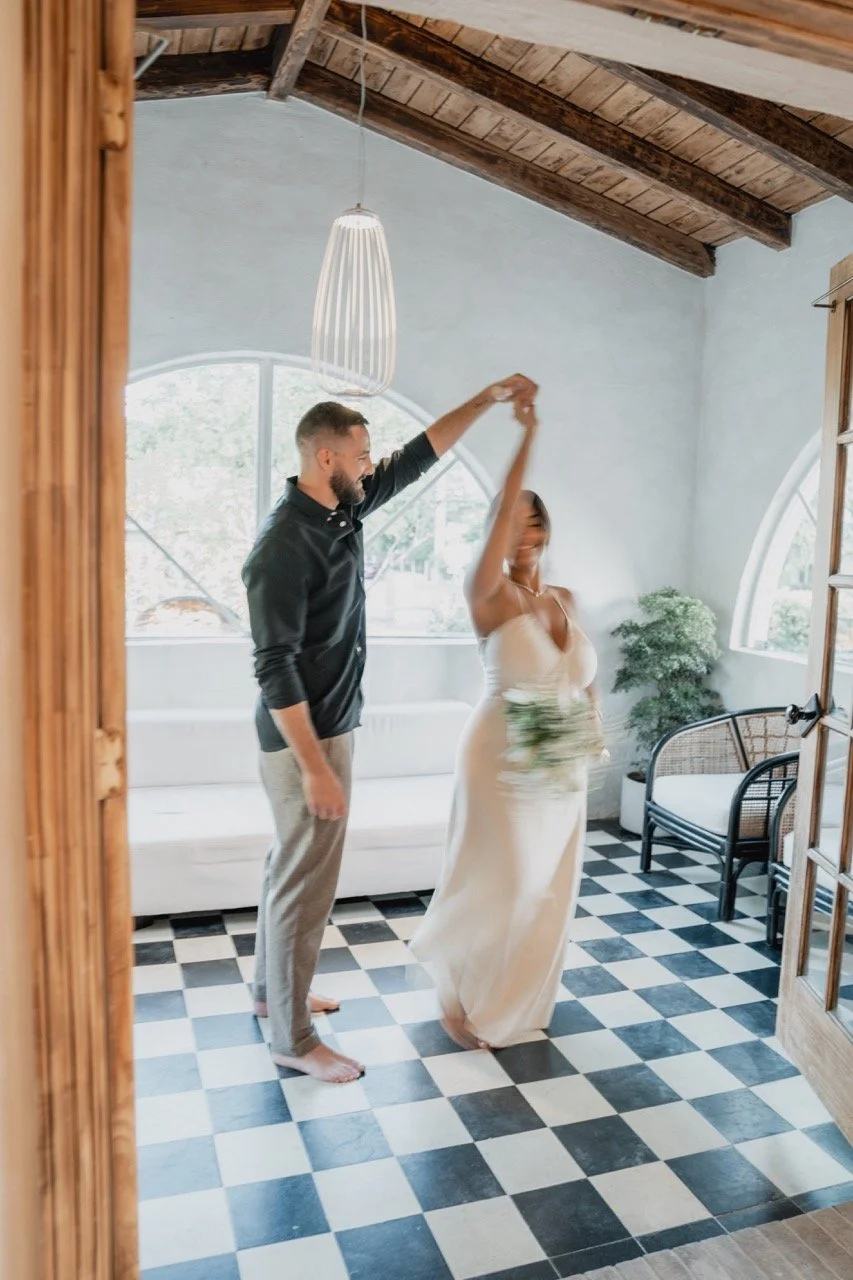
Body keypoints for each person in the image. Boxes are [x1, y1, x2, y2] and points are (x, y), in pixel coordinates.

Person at [243, 376, 538, 1083]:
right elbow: (273, 668)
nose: (371, 465)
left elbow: (417, 456)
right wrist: (315, 765)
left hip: (326, 727)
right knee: (305, 883)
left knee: (289, 868)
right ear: (326, 458)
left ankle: (269, 993)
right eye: (360, 455)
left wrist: (485, 398)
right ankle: (292, 1035)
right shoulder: (284, 545)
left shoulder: (339, 511)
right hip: (302, 738)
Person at [410, 396, 600, 1049]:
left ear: (545, 531)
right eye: (510, 520)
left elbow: (583, 676)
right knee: (506, 880)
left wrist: (589, 727)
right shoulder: (485, 594)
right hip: (499, 756)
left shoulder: (565, 599)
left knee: (548, 886)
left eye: (533, 521)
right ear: (496, 527)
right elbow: (503, 512)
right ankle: (458, 994)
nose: (523, 532)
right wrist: (527, 432)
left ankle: (516, 1002)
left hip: (561, 762)